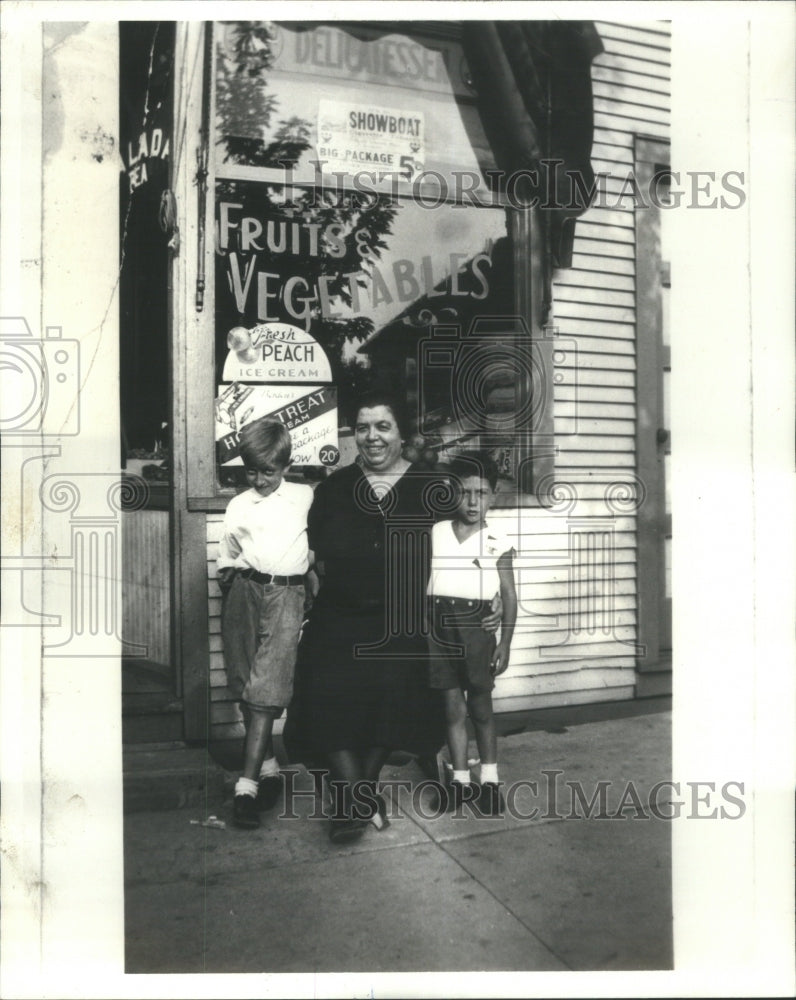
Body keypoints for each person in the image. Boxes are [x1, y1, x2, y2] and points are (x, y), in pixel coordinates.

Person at [284, 390, 500, 844]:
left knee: (397, 683)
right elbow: (318, 557)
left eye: (383, 426)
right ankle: (357, 790)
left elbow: (469, 538)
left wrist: (493, 593)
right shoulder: (335, 488)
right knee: (322, 680)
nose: (372, 436)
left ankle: (352, 795)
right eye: (363, 427)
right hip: (340, 614)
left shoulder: (430, 487)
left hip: (404, 616)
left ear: (401, 434)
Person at [217, 419, 316, 830]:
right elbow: (228, 555)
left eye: (268, 471)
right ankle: (270, 767)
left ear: (286, 466)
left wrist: (310, 578)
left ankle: (246, 787)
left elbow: (317, 546)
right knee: (243, 681)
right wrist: (236, 588)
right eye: (251, 471)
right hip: (245, 590)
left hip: (287, 595)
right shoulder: (239, 505)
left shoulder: (304, 498)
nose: (259, 479)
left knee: (267, 687)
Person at [427, 452, 517, 816]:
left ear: (493, 495)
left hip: (477, 628)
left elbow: (509, 593)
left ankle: (490, 781)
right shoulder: (437, 531)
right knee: (452, 707)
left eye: (481, 492)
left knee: (480, 706)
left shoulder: (498, 538)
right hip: (438, 625)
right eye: (464, 492)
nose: (472, 501)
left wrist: (506, 642)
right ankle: (460, 782)